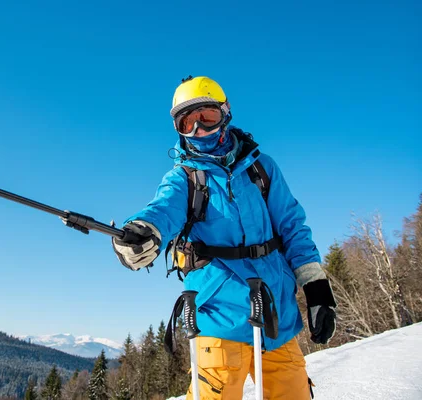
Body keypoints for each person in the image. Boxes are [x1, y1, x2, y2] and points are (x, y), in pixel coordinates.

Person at [112, 76, 337, 399]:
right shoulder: (184, 177)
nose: (199, 131)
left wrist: (316, 288)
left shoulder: (260, 169)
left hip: (277, 316)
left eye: (207, 118)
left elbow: (292, 227)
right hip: (217, 316)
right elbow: (162, 209)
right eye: (187, 123)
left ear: (226, 114)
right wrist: (143, 231)